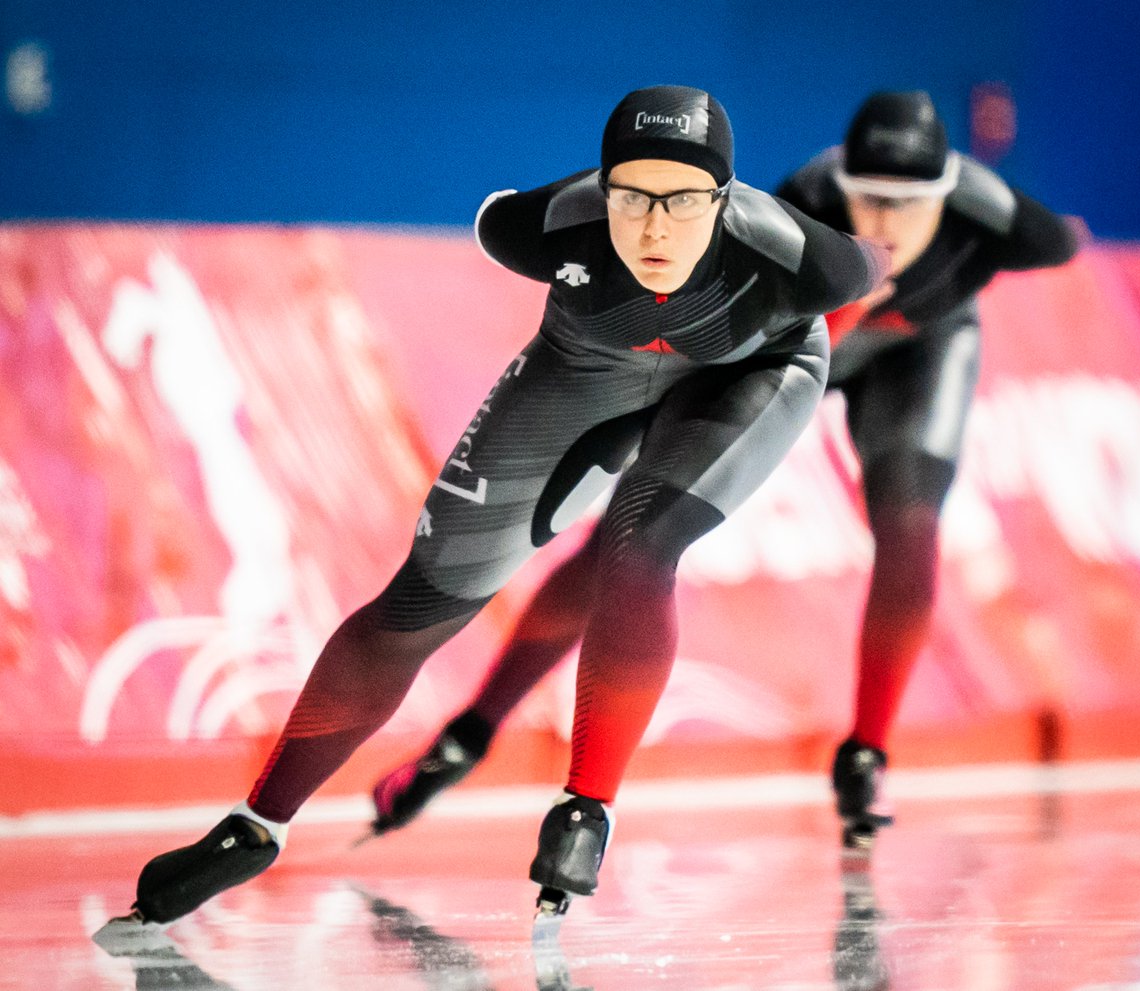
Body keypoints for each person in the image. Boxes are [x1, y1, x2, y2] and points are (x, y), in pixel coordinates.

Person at [116, 84, 887, 928]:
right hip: (586, 367)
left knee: (638, 542)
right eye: (632, 197)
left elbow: (863, 279)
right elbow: (495, 214)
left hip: (752, 370)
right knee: (423, 594)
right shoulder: (541, 226)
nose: (655, 227)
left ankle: (585, 808)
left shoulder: (804, 259)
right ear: (603, 189)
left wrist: (806, 372)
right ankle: (256, 825)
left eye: (684, 200)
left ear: (725, 198)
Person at [368, 90, 1080, 852]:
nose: (884, 222)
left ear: (952, 194)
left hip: (920, 354)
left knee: (910, 521)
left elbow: (1065, 243)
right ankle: (471, 731)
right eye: (866, 197)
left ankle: (866, 751)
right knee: (628, 535)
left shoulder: (996, 220)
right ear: (837, 185)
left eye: (910, 204)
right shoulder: (807, 203)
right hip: (799, 345)